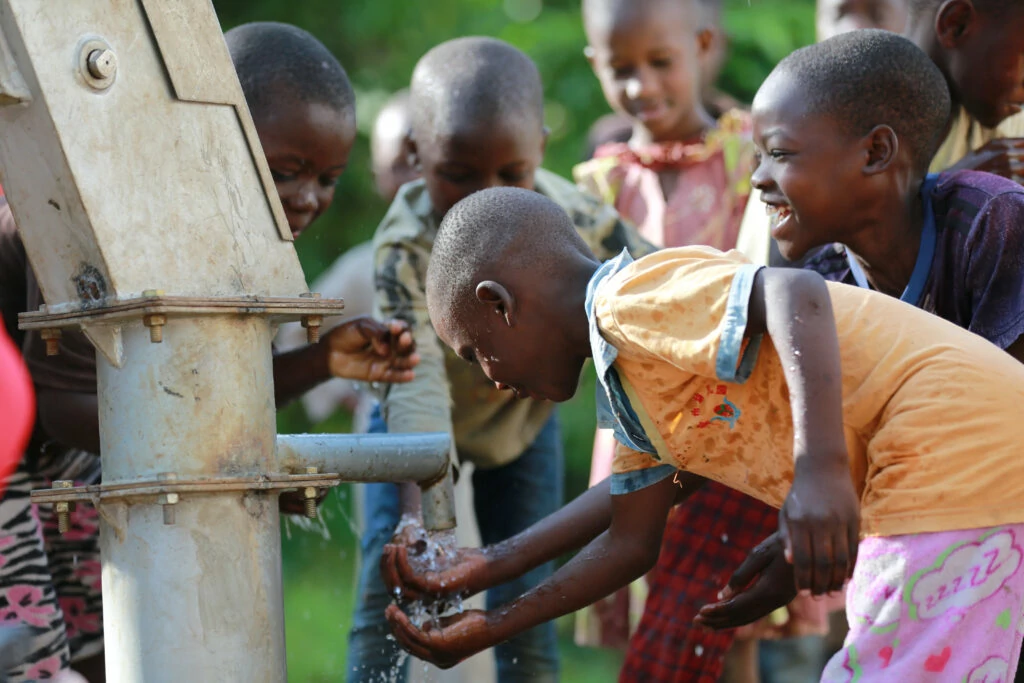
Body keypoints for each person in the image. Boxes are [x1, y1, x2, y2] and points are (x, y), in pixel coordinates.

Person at [384, 181, 1024, 681]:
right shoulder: (633, 377)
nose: (491, 378)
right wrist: (487, 590)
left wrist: (819, 471)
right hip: (967, 457)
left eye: (475, 353)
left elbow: (796, 294)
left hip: (945, 448)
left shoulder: (631, 300)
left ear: (500, 304)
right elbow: (628, 540)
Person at [0, 22, 417, 682]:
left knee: (107, 636)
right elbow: (62, 403)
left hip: (70, 441)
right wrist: (220, 469)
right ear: (209, 136)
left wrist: (322, 362)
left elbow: (214, 396)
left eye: (329, 178)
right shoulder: (112, 214)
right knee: (32, 658)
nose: (309, 198)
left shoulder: (234, 226)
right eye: (287, 172)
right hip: (22, 427)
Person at [346, 36, 654, 683]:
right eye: (459, 174)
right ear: (415, 155)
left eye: (511, 175)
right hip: (416, 426)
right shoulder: (405, 246)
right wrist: (423, 521)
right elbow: (413, 386)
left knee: (528, 606)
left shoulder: (576, 217)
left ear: (540, 148)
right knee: (390, 589)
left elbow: (657, 287)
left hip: (521, 426)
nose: (483, 196)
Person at [571, 1, 766, 679]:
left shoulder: (747, 155)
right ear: (595, 64)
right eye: (621, 68)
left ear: (704, 45)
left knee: (729, 613)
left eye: (660, 62)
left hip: (732, 414)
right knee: (643, 584)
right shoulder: (603, 182)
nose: (641, 85)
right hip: (637, 421)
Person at [276, 89, 421, 432]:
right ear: (376, 175)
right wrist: (346, 388)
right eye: (398, 166)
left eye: (422, 163)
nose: (413, 179)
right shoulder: (363, 266)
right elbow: (297, 331)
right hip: (387, 432)